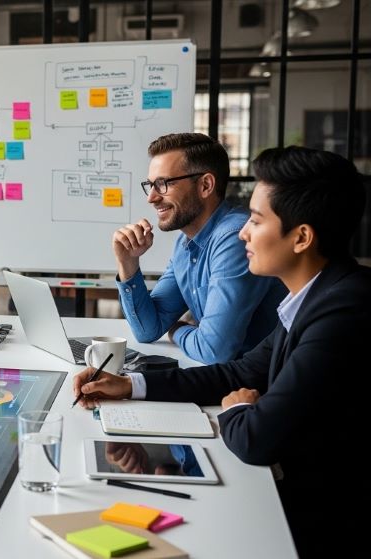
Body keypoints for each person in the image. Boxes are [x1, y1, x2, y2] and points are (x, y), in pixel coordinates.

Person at [74, 146, 368, 556]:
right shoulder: (313, 298)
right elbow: (238, 373)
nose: (244, 232)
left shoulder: (343, 310)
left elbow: (254, 437)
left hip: (317, 523)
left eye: (256, 221)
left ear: (301, 237)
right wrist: (130, 385)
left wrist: (237, 408)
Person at [113, 133, 285, 364]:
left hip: (258, 379)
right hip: (220, 375)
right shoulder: (186, 243)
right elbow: (147, 330)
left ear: (205, 185)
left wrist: (177, 330)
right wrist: (128, 263)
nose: (151, 198)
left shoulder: (234, 238)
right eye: (151, 185)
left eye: (163, 184)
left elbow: (214, 351)